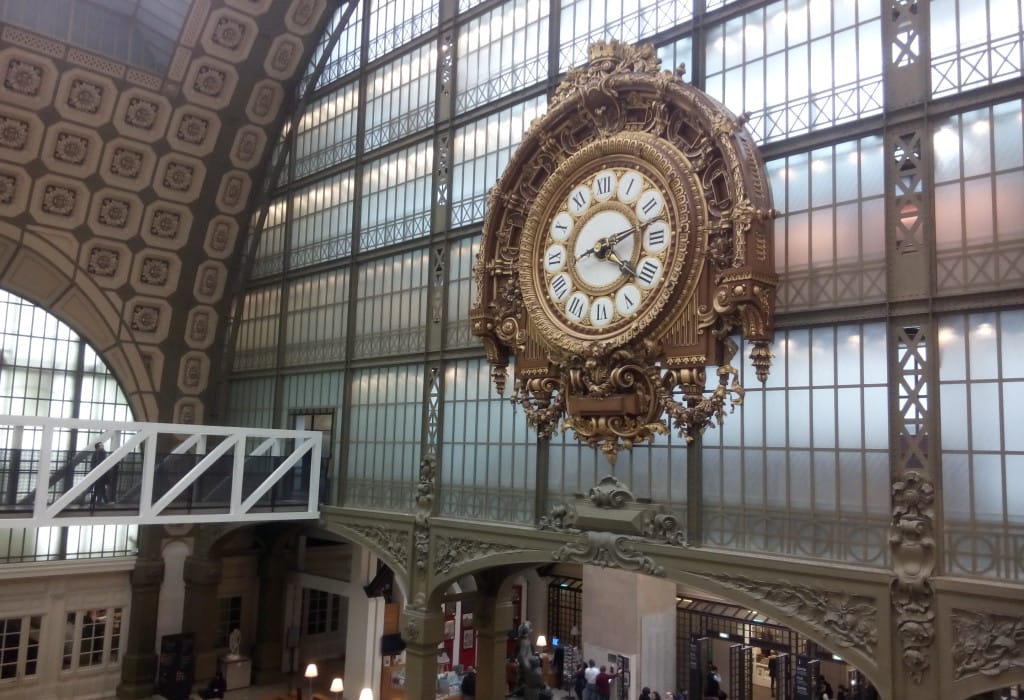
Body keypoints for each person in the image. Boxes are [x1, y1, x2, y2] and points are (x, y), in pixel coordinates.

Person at [89, 442, 109, 507]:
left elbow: (94, 464)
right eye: (101, 445)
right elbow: (100, 463)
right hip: (100, 474)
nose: (103, 445)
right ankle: (100, 502)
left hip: (97, 474)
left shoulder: (97, 453)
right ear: (98, 447)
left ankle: (96, 501)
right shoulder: (101, 453)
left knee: (98, 488)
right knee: (100, 488)